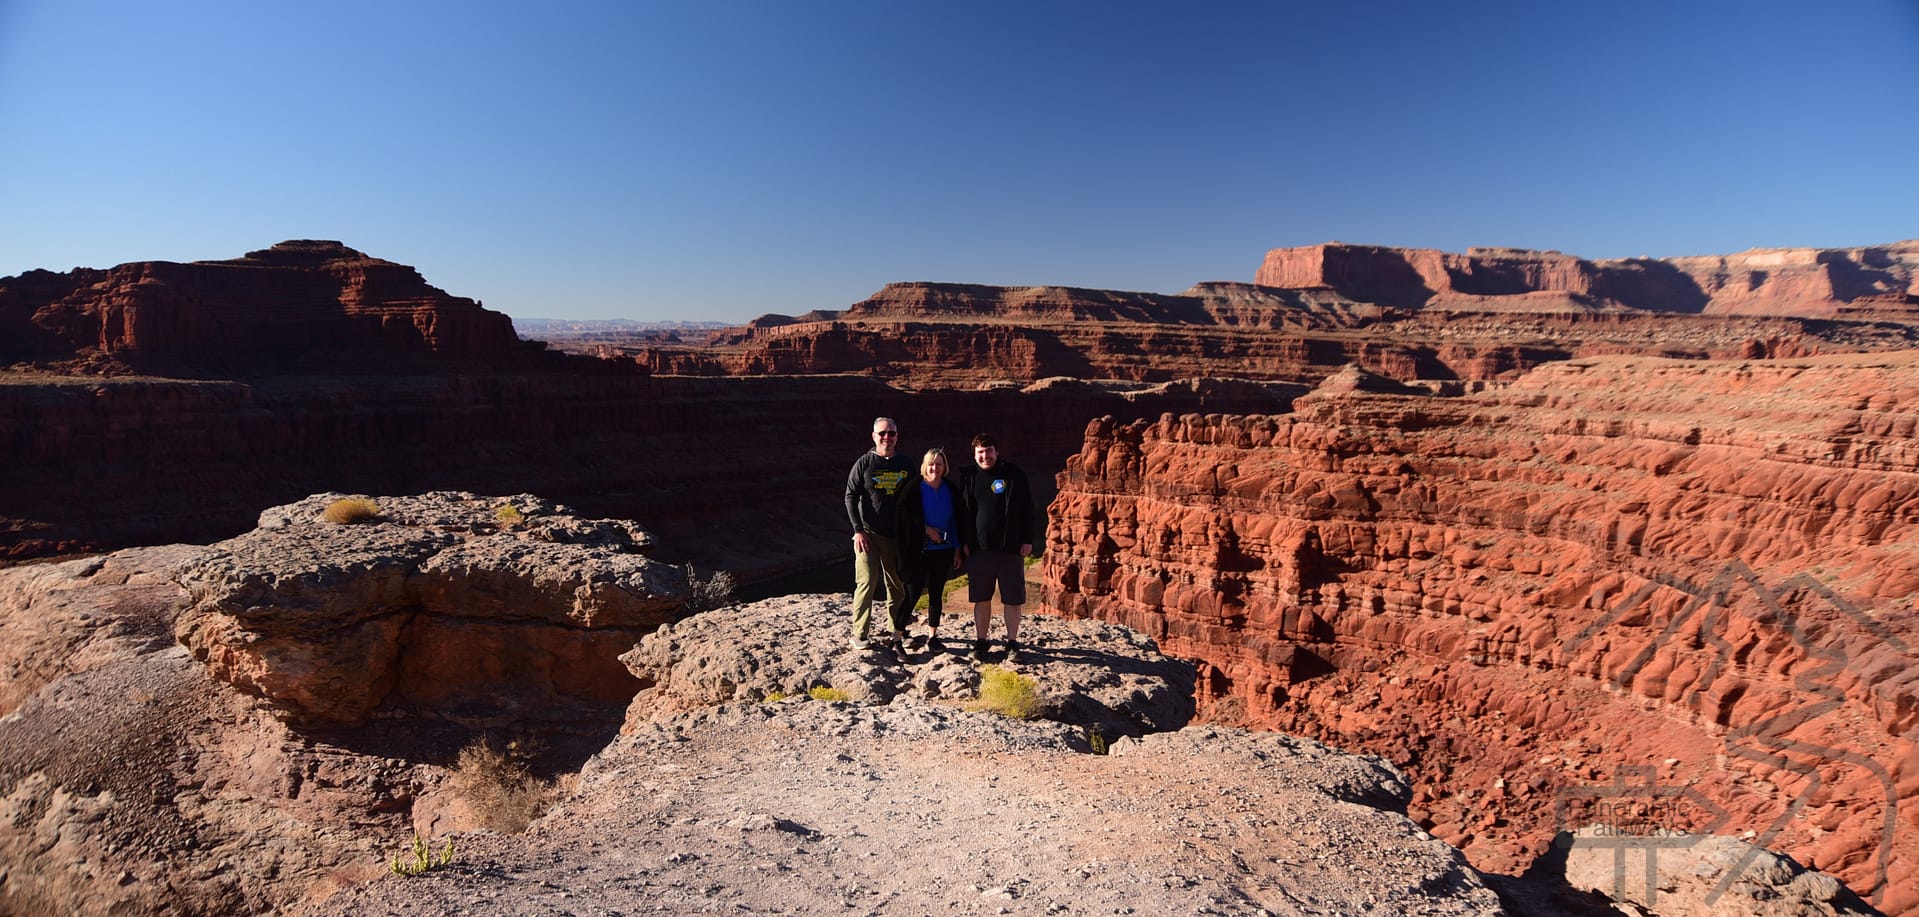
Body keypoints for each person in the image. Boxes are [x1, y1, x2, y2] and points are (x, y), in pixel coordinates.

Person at [960, 433, 1033, 662]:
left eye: (988, 451)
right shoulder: (969, 477)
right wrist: (964, 541)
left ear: (996, 451)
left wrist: (1027, 539)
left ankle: (1012, 643)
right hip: (979, 550)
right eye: (980, 452)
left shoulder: (1014, 475)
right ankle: (981, 641)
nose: (985, 456)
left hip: (1010, 549)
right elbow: (963, 512)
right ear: (975, 455)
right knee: (982, 598)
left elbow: (1027, 509)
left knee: (1012, 599)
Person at [844, 416, 913, 649]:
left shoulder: (906, 463)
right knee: (866, 583)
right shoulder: (864, 463)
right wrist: (858, 531)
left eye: (891, 433)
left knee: (897, 585)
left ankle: (897, 629)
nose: (887, 437)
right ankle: (860, 634)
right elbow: (850, 496)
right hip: (868, 536)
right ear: (874, 436)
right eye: (882, 433)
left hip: (896, 536)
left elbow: (916, 497)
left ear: (897, 436)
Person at [896, 447, 965, 653]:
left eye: (939, 464)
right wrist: (925, 529)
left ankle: (932, 637)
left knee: (936, 593)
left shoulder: (950, 489)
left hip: (943, 551)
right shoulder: (913, 489)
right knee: (912, 594)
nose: (935, 467)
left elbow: (956, 521)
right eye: (931, 464)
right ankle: (897, 638)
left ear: (945, 467)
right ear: (925, 466)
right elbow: (904, 517)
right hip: (919, 550)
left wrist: (957, 549)